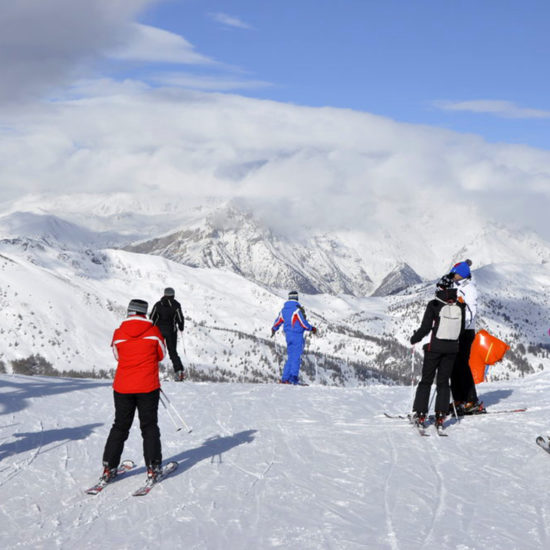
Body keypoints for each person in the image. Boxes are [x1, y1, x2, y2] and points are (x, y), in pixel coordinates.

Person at [100, 299, 166, 483]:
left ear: (129, 311)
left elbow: (117, 355)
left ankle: (108, 467)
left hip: (122, 387)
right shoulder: (154, 332)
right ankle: (153, 468)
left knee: (120, 426)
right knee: (149, 426)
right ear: (145, 313)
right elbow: (161, 354)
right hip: (147, 386)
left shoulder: (119, 333)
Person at [410, 277, 465, 428]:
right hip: (452, 349)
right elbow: (460, 329)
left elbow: (426, 327)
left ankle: (420, 414)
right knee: (443, 382)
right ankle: (440, 416)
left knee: (426, 380)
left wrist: (414, 339)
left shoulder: (434, 304)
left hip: (434, 348)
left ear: (440, 287)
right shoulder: (460, 305)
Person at [448, 260, 485, 415]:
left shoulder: (469, 289)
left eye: (455, 273)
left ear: (461, 274)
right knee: (453, 366)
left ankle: (471, 400)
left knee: (462, 365)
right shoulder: (454, 286)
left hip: (465, 331)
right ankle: (458, 399)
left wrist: (462, 326)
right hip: (453, 329)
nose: (452, 276)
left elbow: (471, 311)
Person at [271, 290, 317, 385]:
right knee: (296, 357)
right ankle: (293, 379)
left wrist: (274, 329)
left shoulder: (283, 310)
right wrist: (312, 328)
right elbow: (303, 323)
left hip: (288, 336)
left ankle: (285, 379)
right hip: (297, 335)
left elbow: (278, 321)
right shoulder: (297, 310)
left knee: (291, 357)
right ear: (296, 298)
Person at [150, 287, 185, 381]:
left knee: (154, 352)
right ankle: (179, 372)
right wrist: (181, 327)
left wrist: (151, 328)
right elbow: (180, 318)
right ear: (173, 295)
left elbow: (152, 317)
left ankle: (149, 373)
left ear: (164, 294)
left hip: (158, 331)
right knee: (173, 352)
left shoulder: (158, 304)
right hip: (171, 331)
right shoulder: (176, 305)